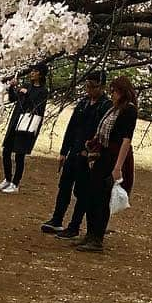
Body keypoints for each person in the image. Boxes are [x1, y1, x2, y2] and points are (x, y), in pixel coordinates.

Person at [42, 69, 111, 238]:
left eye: (93, 86)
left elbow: (101, 134)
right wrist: (64, 151)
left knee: (82, 191)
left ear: (101, 87)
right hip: (74, 150)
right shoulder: (83, 103)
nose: (89, 89)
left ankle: (74, 225)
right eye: (87, 85)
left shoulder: (105, 106)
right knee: (64, 186)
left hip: (88, 155)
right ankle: (57, 219)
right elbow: (71, 127)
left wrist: (89, 152)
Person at [73, 74, 137, 253]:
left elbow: (126, 140)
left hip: (113, 157)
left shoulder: (129, 111)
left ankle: (97, 237)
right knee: (92, 195)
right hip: (102, 155)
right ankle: (90, 233)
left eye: (115, 91)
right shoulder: (114, 109)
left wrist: (118, 167)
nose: (113, 95)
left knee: (102, 198)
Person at [0, 63, 49, 193]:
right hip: (16, 121)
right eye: (32, 71)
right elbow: (14, 98)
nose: (32, 73)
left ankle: (15, 183)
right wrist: (13, 88)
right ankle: (7, 179)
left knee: (20, 155)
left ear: (41, 74)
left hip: (27, 124)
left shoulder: (43, 91)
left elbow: (37, 107)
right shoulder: (26, 85)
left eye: (35, 71)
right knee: (6, 151)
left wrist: (27, 94)